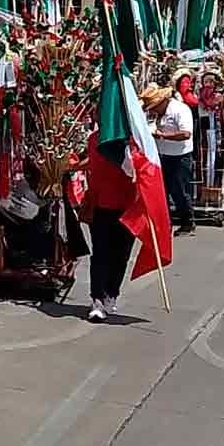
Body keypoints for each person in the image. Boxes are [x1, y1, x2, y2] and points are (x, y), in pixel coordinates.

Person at [76, 132, 137, 323]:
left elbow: (137, 169)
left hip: (128, 206)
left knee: (121, 255)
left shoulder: (136, 139)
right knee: (101, 253)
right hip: (101, 203)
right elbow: (95, 162)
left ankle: (111, 293)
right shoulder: (95, 138)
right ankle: (97, 299)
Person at [141, 84, 195, 234]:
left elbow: (186, 134)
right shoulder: (156, 115)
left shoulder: (180, 110)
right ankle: (165, 222)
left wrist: (163, 136)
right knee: (162, 191)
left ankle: (187, 221)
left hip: (179, 156)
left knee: (180, 191)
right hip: (160, 155)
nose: (153, 110)